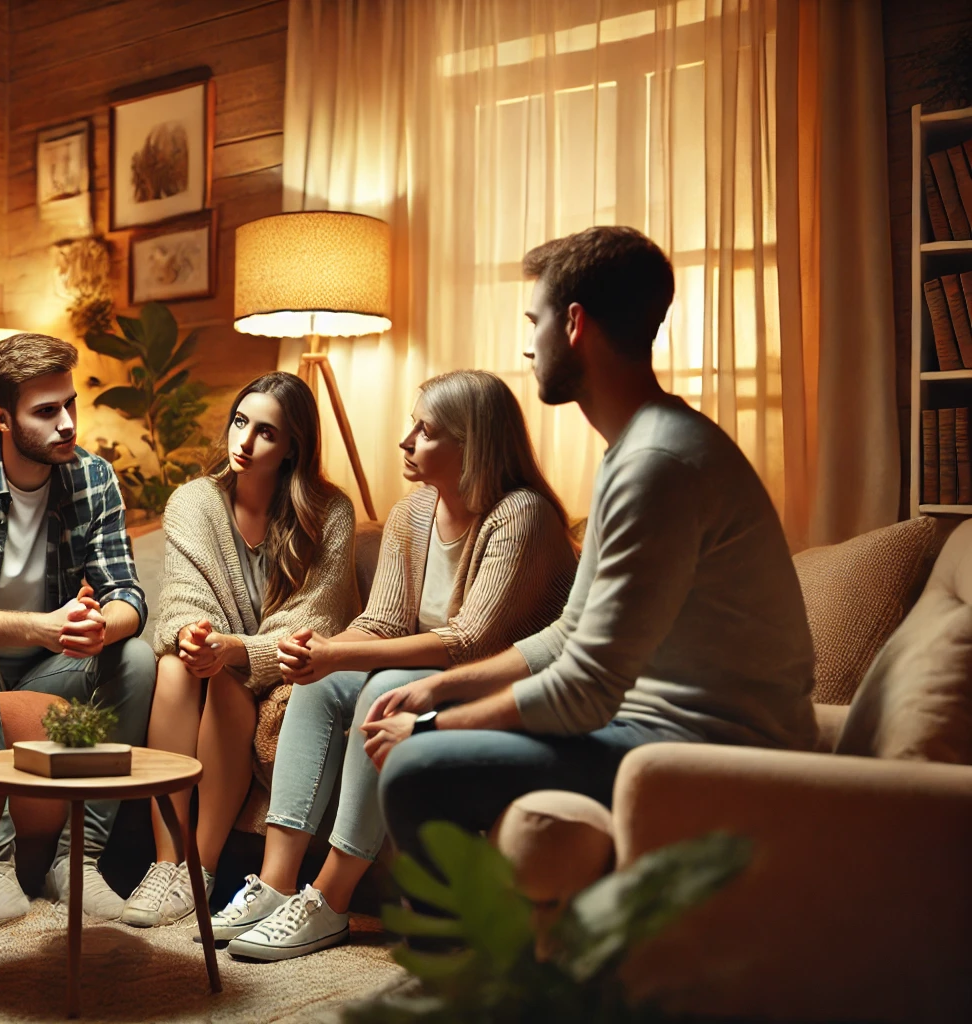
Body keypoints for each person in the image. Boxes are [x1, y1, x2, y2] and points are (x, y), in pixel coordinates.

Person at [278, 226, 815, 959]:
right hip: (652, 726)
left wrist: (431, 731)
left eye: (534, 321)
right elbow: (567, 638)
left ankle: (471, 985)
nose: (527, 344)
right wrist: (439, 692)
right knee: (410, 729)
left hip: (700, 748)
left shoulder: (658, 462)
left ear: (574, 323)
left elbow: (586, 690)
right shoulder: (640, 448)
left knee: (418, 769)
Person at [223, 369, 578, 961]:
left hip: (503, 684)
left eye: (426, 431)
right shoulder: (413, 512)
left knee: (380, 685)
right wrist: (322, 652)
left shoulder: (523, 516)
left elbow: (470, 642)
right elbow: (383, 620)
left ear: (473, 444)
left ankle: (330, 901)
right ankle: (275, 883)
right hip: (429, 673)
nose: (406, 441)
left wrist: (343, 651)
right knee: (325, 682)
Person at [0, 333, 154, 923]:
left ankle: (81, 861)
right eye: (46, 412)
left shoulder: (93, 478)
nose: (67, 423)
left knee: (139, 657)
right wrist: (41, 627)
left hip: (53, 669)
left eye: (70, 405)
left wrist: (103, 627)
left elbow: (127, 594)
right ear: (1, 417)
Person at [123, 371, 358, 928]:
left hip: (280, 671)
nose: (244, 442)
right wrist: (192, 634)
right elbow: (183, 594)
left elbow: (317, 619)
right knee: (177, 668)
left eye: (266, 433)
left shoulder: (331, 512)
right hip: (206, 659)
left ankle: (200, 869)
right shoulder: (194, 501)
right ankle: (166, 863)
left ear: (293, 446)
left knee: (224, 677)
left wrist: (237, 650)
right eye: (240, 421)